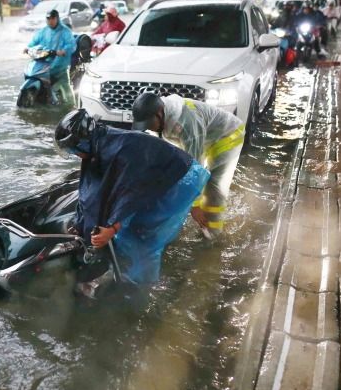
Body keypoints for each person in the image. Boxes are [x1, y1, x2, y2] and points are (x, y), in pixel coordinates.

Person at [55, 109, 209, 285]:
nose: (74, 154)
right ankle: (130, 270)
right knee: (128, 229)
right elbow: (93, 192)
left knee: (142, 236)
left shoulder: (122, 150)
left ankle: (139, 289)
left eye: (73, 149)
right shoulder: (97, 145)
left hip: (179, 178)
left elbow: (131, 192)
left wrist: (112, 228)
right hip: (153, 174)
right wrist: (80, 223)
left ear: (82, 143)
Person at [131, 92, 244, 239]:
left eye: (149, 124)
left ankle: (213, 237)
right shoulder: (162, 119)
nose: (149, 128)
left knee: (213, 186)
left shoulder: (187, 124)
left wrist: (194, 206)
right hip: (205, 137)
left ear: (160, 114)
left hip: (227, 136)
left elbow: (194, 168)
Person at [24, 9, 77, 105]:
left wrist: (64, 51)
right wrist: (28, 48)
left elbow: (71, 44)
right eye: (48, 19)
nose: (50, 21)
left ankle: (72, 106)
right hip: (44, 62)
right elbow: (34, 42)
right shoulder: (43, 31)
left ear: (57, 19)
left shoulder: (65, 31)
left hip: (60, 64)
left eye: (53, 18)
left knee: (65, 85)